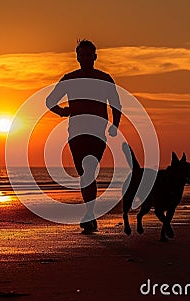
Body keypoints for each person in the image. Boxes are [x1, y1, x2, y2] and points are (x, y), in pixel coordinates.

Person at [46, 39, 122, 233]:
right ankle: (90, 213)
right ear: (78, 57)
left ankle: (89, 215)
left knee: (89, 170)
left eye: (89, 54)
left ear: (95, 57)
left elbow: (116, 105)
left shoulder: (105, 79)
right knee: (84, 173)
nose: (86, 58)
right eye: (82, 54)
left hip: (97, 132)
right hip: (76, 133)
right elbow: (49, 101)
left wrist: (115, 125)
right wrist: (62, 112)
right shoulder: (70, 78)